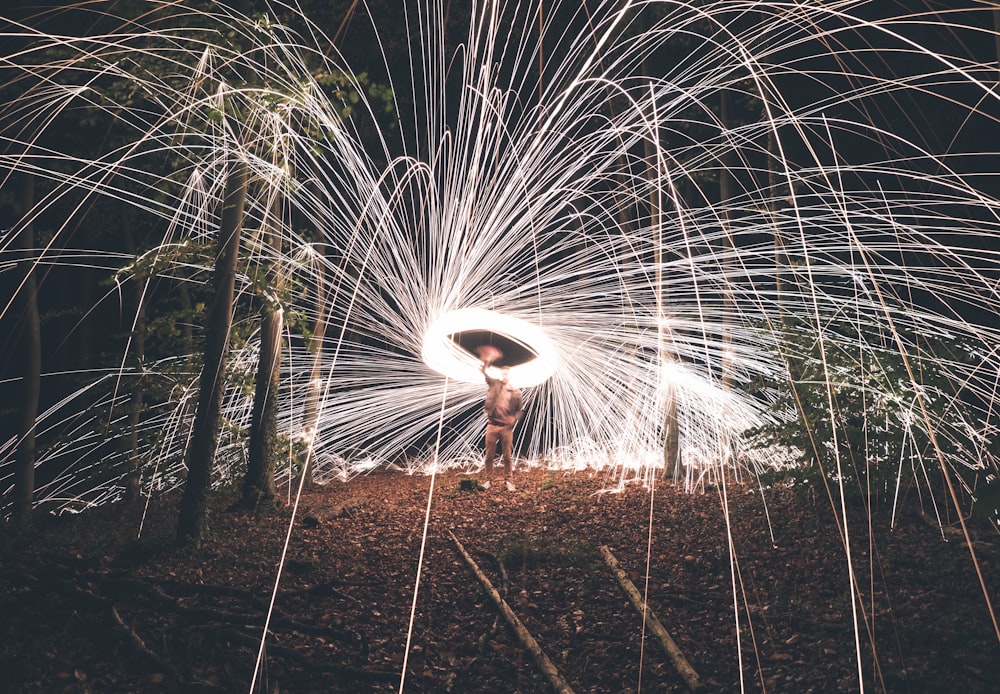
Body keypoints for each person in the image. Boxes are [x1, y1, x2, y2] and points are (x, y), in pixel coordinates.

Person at [481, 360, 523, 491]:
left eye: (506, 374)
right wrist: (486, 362)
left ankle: (508, 481)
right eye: (502, 374)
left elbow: (520, 410)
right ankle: (488, 480)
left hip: (506, 428)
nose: (504, 376)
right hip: (492, 425)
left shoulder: (516, 392)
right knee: (489, 456)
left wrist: (514, 419)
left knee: (507, 456)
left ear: (509, 376)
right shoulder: (494, 384)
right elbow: (485, 374)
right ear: (500, 375)